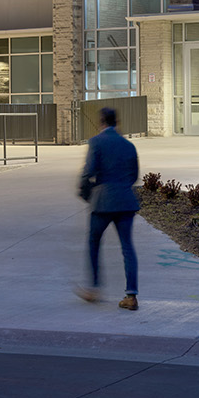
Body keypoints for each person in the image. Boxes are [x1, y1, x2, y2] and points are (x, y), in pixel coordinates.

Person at [76, 106, 141, 310]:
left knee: (94, 242)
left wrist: (87, 195)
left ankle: (94, 289)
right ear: (116, 122)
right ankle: (131, 295)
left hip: (102, 201)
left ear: (101, 122)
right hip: (125, 201)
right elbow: (134, 175)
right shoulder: (129, 145)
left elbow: (88, 173)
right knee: (127, 246)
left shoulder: (96, 142)